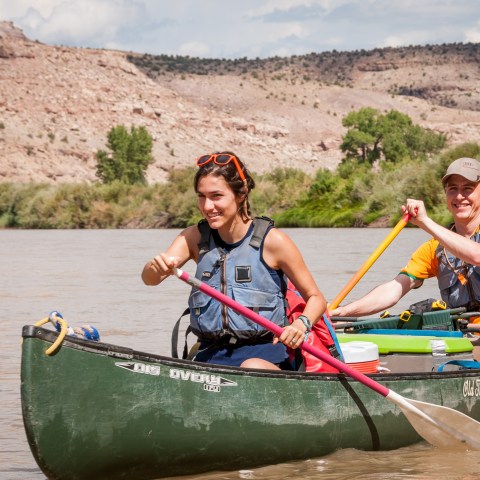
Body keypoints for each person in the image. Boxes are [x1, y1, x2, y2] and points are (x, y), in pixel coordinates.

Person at [142, 151, 328, 370]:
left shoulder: (274, 241)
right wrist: (155, 266)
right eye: (201, 196)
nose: (207, 206)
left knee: (252, 367)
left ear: (241, 194)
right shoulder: (194, 237)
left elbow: (316, 298)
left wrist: (301, 324)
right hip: (209, 354)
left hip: (265, 355)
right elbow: (150, 279)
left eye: (216, 196)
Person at [329, 157, 480, 325]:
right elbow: (393, 290)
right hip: (465, 337)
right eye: (452, 189)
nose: (459, 196)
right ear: (445, 194)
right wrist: (343, 312)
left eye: (468, 188)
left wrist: (425, 222)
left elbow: (476, 256)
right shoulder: (433, 249)